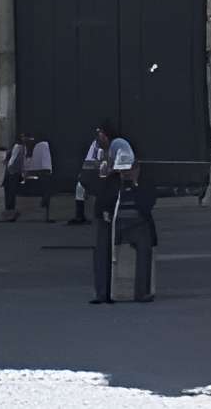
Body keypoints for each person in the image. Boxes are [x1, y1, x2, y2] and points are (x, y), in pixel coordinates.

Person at [85, 120, 136, 305]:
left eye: (100, 133)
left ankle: (108, 291)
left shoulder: (117, 146)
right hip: (105, 206)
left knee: (108, 250)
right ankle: (103, 291)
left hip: (111, 206)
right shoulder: (100, 151)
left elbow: (125, 167)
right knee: (103, 251)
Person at [113, 154, 160, 303]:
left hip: (138, 224)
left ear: (137, 168)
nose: (127, 173)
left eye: (130, 169)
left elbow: (147, 205)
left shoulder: (145, 183)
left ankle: (141, 292)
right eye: (124, 169)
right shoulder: (112, 183)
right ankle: (106, 289)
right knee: (103, 247)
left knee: (144, 247)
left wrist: (134, 185)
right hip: (115, 224)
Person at [1, 132, 52, 224]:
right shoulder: (19, 148)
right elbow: (13, 166)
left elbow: (45, 169)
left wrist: (29, 172)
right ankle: (9, 210)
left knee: (45, 179)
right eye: (23, 138)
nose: (25, 140)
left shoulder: (42, 147)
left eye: (27, 138)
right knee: (10, 178)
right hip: (22, 175)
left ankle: (45, 205)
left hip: (36, 175)